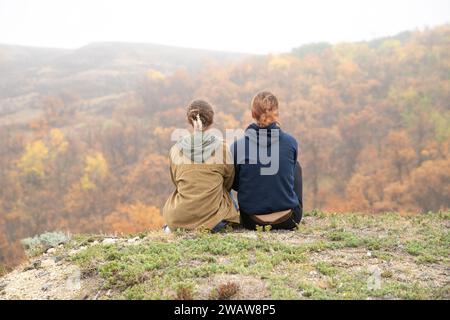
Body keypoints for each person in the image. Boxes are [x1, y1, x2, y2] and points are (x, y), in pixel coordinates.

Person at [162, 100, 239, 232]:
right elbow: (229, 182)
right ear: (212, 120)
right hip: (215, 222)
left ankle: (176, 227)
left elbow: (176, 180)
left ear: (189, 120)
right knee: (225, 190)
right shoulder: (223, 149)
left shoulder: (175, 150)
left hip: (179, 218)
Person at [231, 91, 303, 230]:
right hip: (288, 219)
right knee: (296, 166)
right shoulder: (290, 142)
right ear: (276, 113)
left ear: (253, 113)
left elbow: (235, 183)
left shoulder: (237, 146)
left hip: (251, 221)